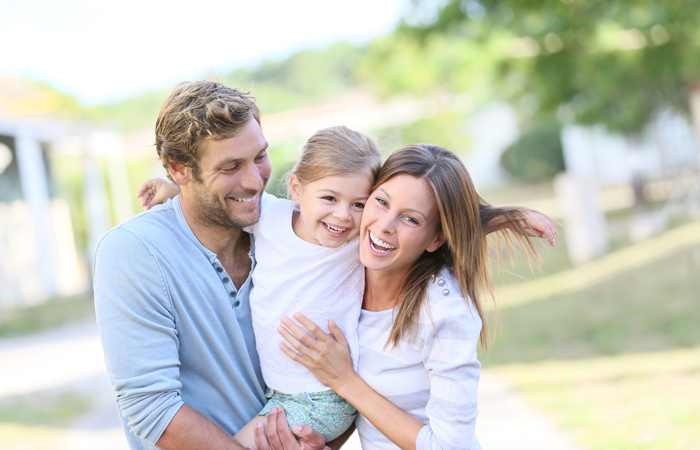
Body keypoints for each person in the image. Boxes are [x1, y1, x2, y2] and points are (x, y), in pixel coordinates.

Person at [96, 79, 554, 450]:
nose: (255, 180)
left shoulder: (326, 234)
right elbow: (149, 408)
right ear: (179, 168)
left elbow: (419, 212)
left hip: (299, 411)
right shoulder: (139, 252)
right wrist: (174, 195)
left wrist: (501, 217)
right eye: (231, 166)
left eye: (260, 157)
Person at [277, 143, 544, 450]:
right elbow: (374, 409)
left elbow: (449, 447)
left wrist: (344, 380)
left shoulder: (444, 312)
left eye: (411, 219)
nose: (384, 226)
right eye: (381, 202)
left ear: (436, 239)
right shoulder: (350, 271)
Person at [138, 125, 382, 446]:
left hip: (323, 397)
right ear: (296, 189)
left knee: (235, 446)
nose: (342, 216)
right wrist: (172, 190)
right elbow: (219, 201)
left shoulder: (358, 245)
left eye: (359, 204)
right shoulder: (270, 217)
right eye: (329, 198)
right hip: (280, 392)